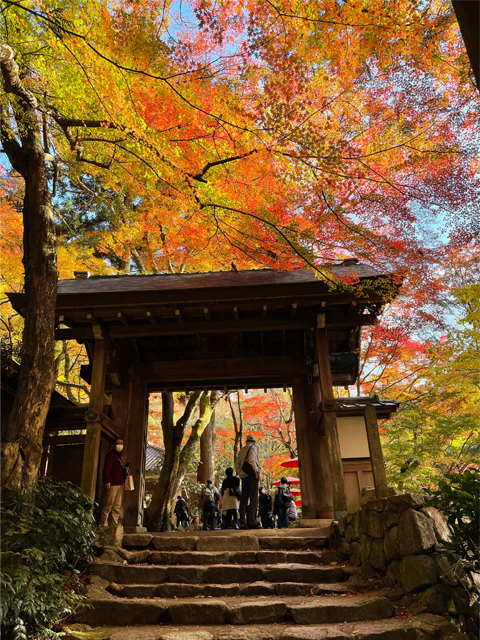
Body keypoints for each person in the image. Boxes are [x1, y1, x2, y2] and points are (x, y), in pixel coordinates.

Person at [99, 438, 128, 527]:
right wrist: (107, 480)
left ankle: (114, 524)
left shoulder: (120, 457)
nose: (120, 445)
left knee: (117, 506)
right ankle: (103, 524)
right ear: (114, 444)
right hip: (112, 483)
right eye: (118, 443)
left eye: (121, 443)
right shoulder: (110, 455)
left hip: (120, 483)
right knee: (109, 504)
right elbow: (106, 469)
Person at [235, 434, 262, 529]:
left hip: (244, 476)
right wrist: (256, 472)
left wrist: (239, 473)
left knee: (244, 500)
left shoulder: (241, 450)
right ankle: (252, 521)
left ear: (246, 441)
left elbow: (237, 463)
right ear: (254, 442)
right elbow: (251, 459)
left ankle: (242, 522)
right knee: (254, 499)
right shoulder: (253, 448)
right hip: (252, 476)